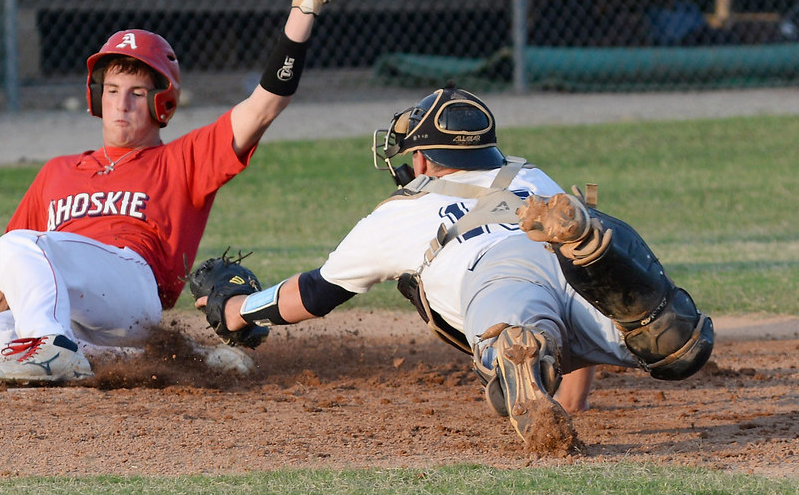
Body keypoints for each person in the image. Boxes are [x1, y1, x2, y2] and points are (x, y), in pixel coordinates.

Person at [0, 0, 344, 382]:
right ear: (94, 98)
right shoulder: (57, 172)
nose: (120, 105)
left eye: (135, 93)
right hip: (73, 311)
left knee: (18, 244)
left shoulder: (182, 159)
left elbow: (265, 104)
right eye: (110, 91)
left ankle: (50, 344)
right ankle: (179, 359)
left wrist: (304, 8)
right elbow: (10, 278)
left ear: (162, 103)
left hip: (134, 289)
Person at [193, 86, 714, 449]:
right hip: (557, 260)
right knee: (655, 337)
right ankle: (656, 320)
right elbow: (572, 292)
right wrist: (572, 406)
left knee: (512, 329)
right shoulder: (532, 178)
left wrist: (240, 310)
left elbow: (313, 294)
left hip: (491, 274)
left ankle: (521, 352)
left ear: (422, 160)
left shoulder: (398, 212)